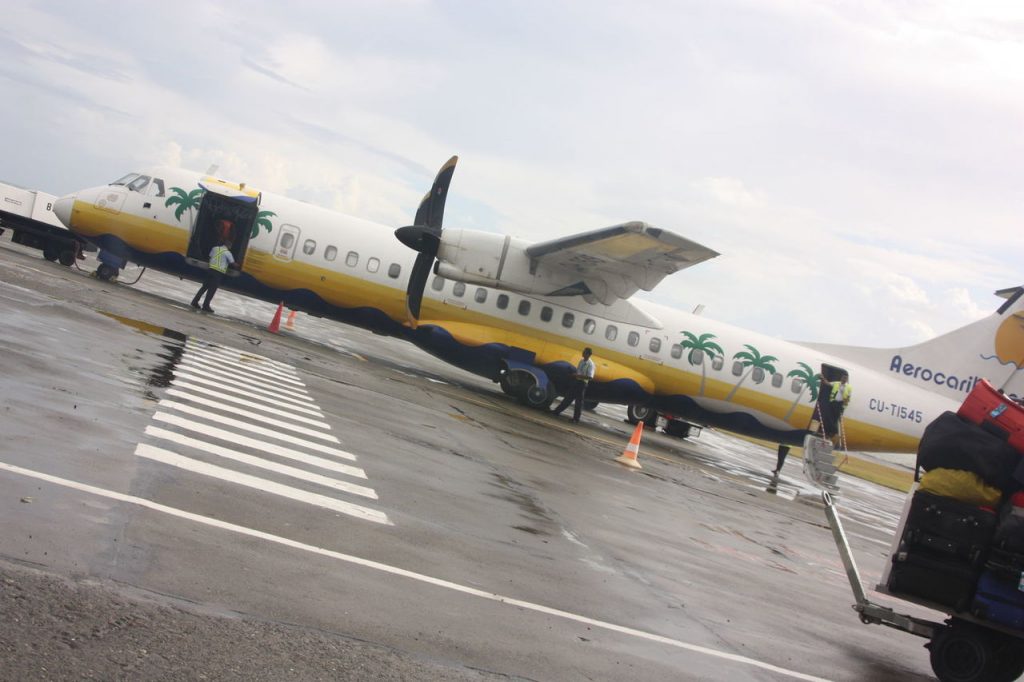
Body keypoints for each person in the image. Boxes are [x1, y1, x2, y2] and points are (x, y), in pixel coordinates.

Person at [191, 237, 236, 313]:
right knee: (211, 290)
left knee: (204, 287)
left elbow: (210, 256)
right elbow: (232, 263)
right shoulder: (228, 253)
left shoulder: (215, 248)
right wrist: (238, 265)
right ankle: (206, 306)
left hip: (210, 270)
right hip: (218, 273)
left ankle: (194, 301)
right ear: (229, 246)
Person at [551, 348, 596, 423]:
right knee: (568, 398)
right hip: (577, 382)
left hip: (582, 384)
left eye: (585, 352)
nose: (583, 353)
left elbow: (590, 377)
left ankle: (576, 419)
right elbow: (578, 371)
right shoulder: (581, 361)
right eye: (583, 352)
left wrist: (578, 375)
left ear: (588, 354)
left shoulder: (590, 364)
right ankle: (556, 412)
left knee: (578, 402)